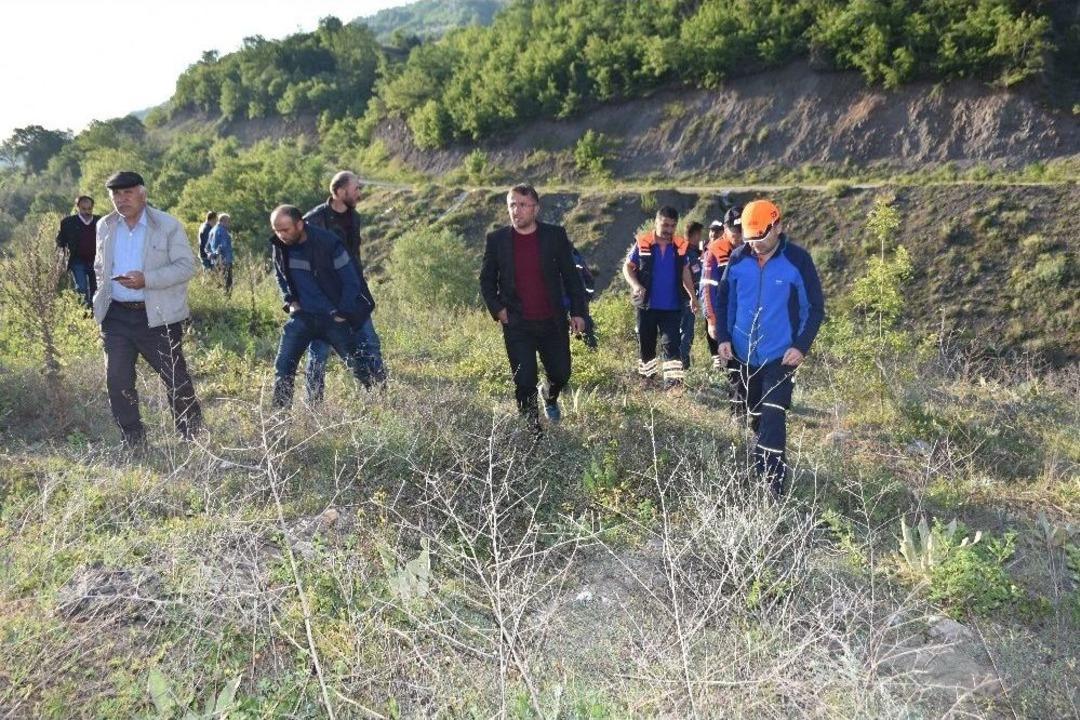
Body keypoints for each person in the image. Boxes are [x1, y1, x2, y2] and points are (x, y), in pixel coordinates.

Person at [711, 200, 825, 495]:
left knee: (773, 415)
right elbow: (723, 300)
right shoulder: (737, 259)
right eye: (750, 239)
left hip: (780, 356)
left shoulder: (798, 261)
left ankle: (770, 488)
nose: (756, 245)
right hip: (742, 353)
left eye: (761, 238)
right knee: (755, 416)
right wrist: (723, 337)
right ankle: (758, 461)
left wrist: (801, 346)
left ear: (777, 227)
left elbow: (814, 308)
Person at [92, 171, 202, 447]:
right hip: (115, 316)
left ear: (143, 193)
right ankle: (133, 441)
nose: (121, 199)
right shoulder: (105, 225)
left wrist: (146, 280)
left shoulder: (166, 225)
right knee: (117, 381)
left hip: (156, 316)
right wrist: (103, 290)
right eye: (116, 194)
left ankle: (193, 437)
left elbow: (186, 266)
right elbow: (99, 265)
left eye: (128, 193)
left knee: (176, 379)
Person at [479, 183, 587, 426]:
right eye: (512, 205)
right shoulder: (497, 240)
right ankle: (532, 433)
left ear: (535, 209)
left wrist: (578, 312)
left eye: (522, 205)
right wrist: (499, 310)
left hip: (552, 322)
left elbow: (571, 277)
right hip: (518, 324)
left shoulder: (555, 236)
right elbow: (486, 280)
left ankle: (549, 396)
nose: (516, 210)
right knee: (524, 381)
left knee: (561, 373)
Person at [269, 205, 376, 409]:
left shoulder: (328, 243)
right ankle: (278, 424)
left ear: (300, 224)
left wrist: (341, 313)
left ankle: (378, 408)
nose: (280, 235)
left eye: (285, 229)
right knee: (283, 368)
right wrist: (290, 300)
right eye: (276, 230)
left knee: (359, 368)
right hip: (302, 318)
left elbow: (352, 281)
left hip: (333, 319)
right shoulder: (280, 245)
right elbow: (280, 275)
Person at [303, 171, 385, 402]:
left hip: (353, 293)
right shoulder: (313, 221)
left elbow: (354, 258)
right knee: (319, 352)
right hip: (324, 300)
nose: (360, 192)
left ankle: (380, 397)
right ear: (340, 192)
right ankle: (313, 406)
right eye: (356, 188)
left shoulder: (354, 217)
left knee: (370, 343)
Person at [623, 206, 698, 387]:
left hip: (672, 307)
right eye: (665, 225)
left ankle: (674, 385)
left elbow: (685, 272)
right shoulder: (642, 243)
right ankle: (647, 380)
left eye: (673, 226)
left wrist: (693, 297)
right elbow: (628, 267)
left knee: (672, 344)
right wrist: (636, 285)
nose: (669, 230)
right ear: (656, 222)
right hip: (646, 305)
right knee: (646, 343)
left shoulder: (680, 245)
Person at [703, 208, 746, 412]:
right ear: (725, 229)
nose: (738, 233)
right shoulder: (715, 250)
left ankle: (752, 411)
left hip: (750, 318)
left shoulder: (755, 248)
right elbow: (708, 288)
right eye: (734, 229)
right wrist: (711, 320)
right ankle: (738, 415)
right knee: (734, 369)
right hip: (727, 320)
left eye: (741, 228)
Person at [55, 195, 100, 308]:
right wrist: (61, 259)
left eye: (89, 209)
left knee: (96, 288)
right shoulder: (68, 222)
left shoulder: (99, 221)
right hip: (77, 260)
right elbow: (61, 241)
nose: (87, 211)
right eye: (84, 209)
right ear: (78, 207)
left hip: (96, 260)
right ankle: (84, 313)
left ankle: (95, 312)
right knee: (81, 288)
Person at [679, 220, 705, 370]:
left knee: (685, 332)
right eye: (699, 235)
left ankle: (682, 363)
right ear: (695, 235)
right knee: (686, 333)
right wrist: (693, 298)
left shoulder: (690, 251)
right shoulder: (687, 252)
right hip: (686, 297)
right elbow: (690, 275)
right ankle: (683, 365)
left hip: (685, 296)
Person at [568, 243, 598, 349]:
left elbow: (589, 279)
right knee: (586, 333)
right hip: (578, 304)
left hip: (567, 306)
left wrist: (587, 297)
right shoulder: (575, 256)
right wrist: (587, 297)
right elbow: (589, 279)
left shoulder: (573, 257)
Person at [207, 212, 234, 293]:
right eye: (228, 221)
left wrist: (213, 255)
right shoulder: (222, 231)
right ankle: (227, 303)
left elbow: (207, 247)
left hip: (214, 261)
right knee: (227, 284)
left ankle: (219, 303)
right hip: (224, 260)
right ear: (223, 221)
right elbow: (223, 246)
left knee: (218, 283)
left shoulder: (212, 230)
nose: (229, 224)